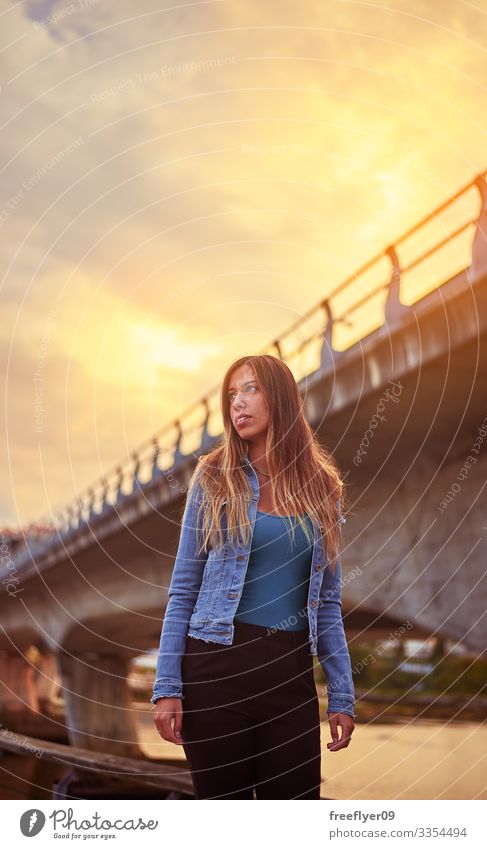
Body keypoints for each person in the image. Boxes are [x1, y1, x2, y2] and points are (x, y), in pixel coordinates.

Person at [152, 354, 355, 799]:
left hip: (289, 673)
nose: (237, 404)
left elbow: (328, 605)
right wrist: (167, 687)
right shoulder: (214, 478)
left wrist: (342, 695)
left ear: (280, 398)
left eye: (251, 389)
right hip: (215, 667)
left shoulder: (324, 489)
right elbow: (183, 589)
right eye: (231, 394)